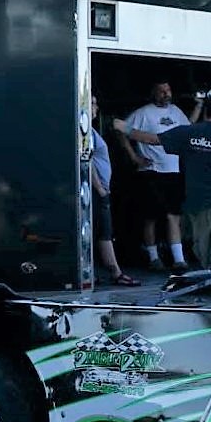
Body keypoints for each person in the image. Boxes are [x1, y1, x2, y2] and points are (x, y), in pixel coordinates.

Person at [115, 94, 211, 270]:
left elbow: (153, 139)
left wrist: (125, 128)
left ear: (205, 112)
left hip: (199, 203)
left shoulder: (189, 133)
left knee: (204, 249)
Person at [122, 81, 190, 271]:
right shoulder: (143, 113)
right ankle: (153, 258)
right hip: (150, 171)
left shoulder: (176, 111)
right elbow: (121, 130)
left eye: (168, 90)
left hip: (173, 171)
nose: (165, 94)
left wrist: (199, 107)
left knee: (173, 215)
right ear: (153, 93)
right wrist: (134, 156)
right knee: (150, 216)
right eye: (161, 91)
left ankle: (178, 259)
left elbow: (188, 130)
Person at [89, 95, 139, 287]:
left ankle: (107, 271)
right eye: (92, 104)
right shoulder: (85, 132)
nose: (96, 107)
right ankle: (115, 272)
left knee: (102, 232)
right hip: (97, 190)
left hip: (101, 189)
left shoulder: (92, 131)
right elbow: (87, 160)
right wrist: (99, 188)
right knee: (103, 232)